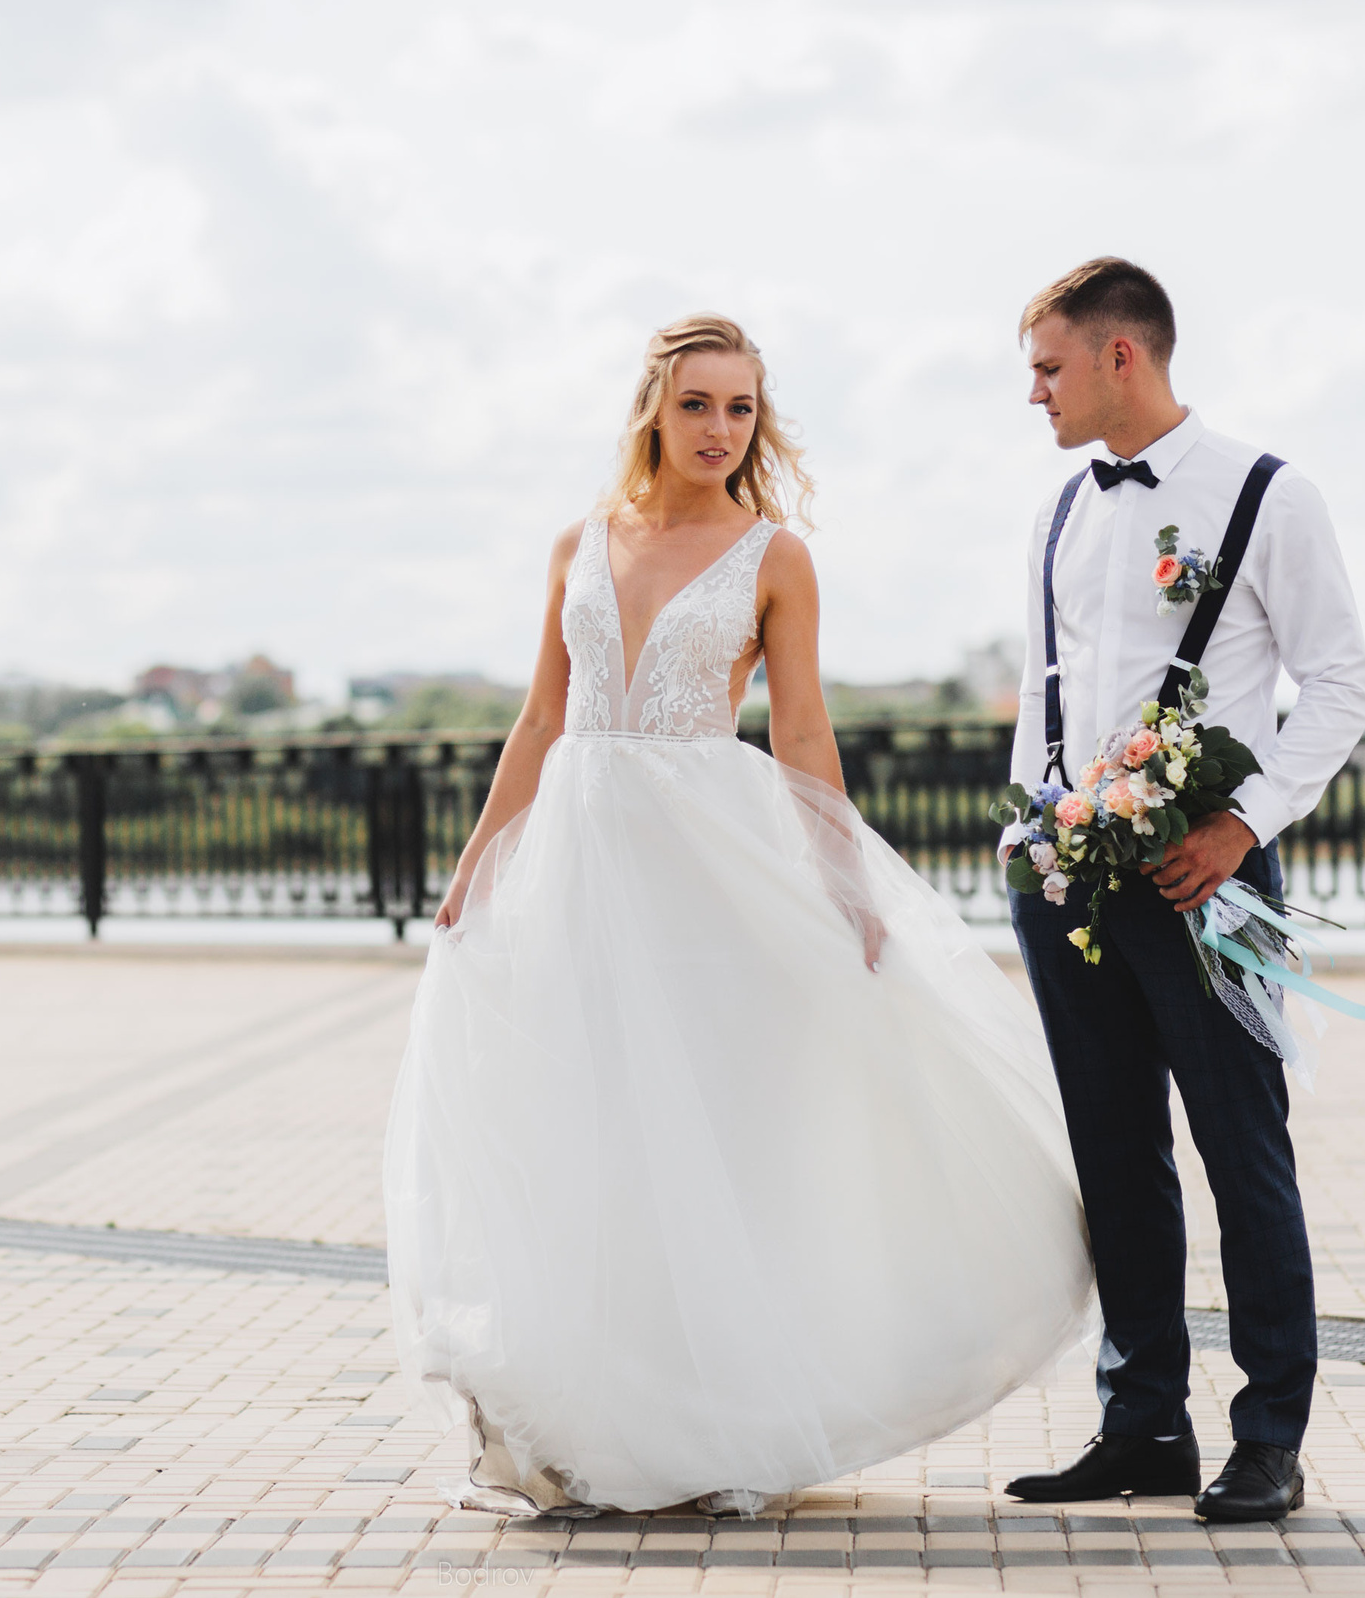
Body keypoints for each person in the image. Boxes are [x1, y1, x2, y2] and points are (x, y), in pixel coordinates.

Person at [385, 313, 1095, 1518]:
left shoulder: (775, 556)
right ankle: (584, 1427)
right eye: (699, 405)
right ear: (651, 411)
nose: (721, 430)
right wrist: (477, 866)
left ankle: (707, 1425)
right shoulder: (577, 541)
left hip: (707, 871)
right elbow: (540, 721)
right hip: (579, 866)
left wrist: (843, 886)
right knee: (588, 1135)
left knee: (704, 1135)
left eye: (743, 409)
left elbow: (803, 733)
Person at [998, 259, 1365, 1522]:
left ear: (1121, 356)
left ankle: (1269, 1434)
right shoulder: (1065, 505)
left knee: (1242, 1150)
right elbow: (1054, 686)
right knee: (1113, 1154)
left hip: (1210, 874)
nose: (1033, 392)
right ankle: (1141, 1422)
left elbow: (1337, 684)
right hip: (1068, 880)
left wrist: (1239, 822)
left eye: (1047, 366)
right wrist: (1030, 837)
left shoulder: (1270, 494)